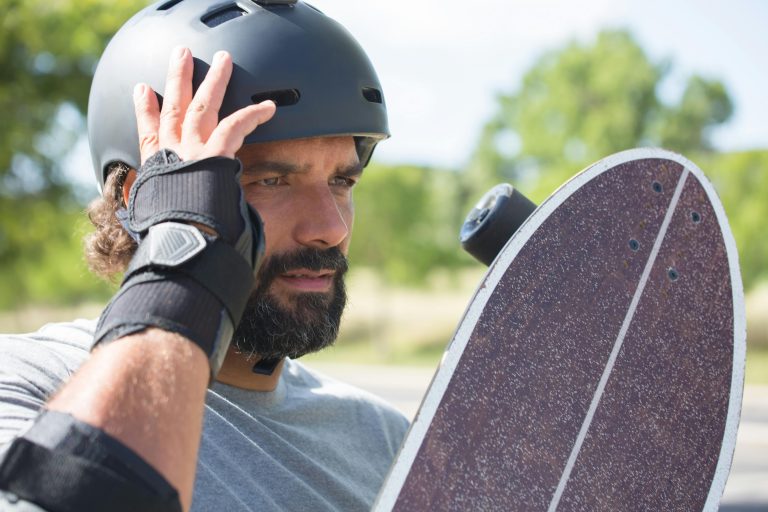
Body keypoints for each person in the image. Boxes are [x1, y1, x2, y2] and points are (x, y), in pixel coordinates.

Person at [0, 1, 409, 511]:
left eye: (342, 181)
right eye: (272, 180)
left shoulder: (386, 440)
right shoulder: (25, 381)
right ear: (139, 196)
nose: (331, 228)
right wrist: (188, 245)